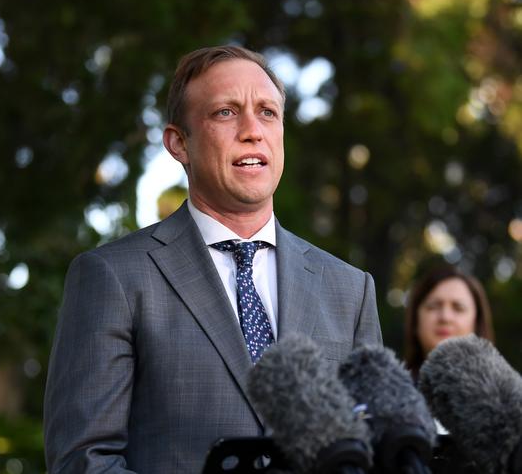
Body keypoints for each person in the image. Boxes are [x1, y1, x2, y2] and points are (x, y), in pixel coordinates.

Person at [43, 45, 383, 474]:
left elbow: (373, 453)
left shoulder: (350, 290)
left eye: (267, 113)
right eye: (225, 112)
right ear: (179, 143)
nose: (252, 130)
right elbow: (84, 462)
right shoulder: (113, 277)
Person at [404, 264, 495, 378]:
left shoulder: (505, 392)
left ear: (477, 322)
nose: (445, 317)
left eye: (458, 308)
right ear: (415, 319)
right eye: (433, 306)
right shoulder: (386, 389)